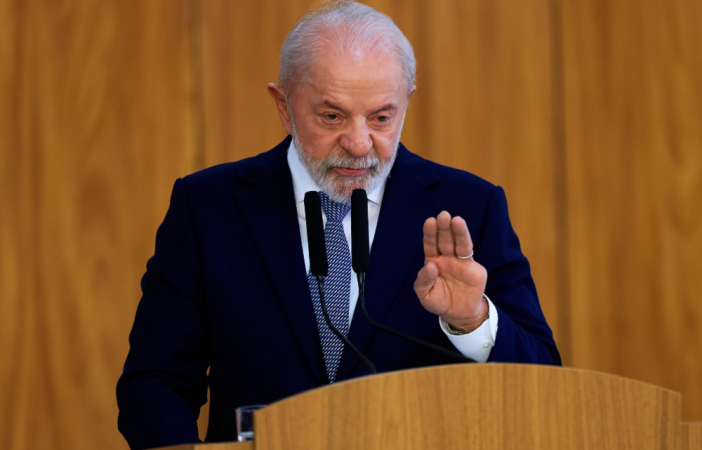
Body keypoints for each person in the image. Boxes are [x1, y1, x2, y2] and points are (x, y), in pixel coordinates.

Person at [117, 1, 560, 449]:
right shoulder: (208, 207)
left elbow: (545, 386)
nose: (359, 143)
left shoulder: (470, 207)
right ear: (284, 106)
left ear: (406, 102)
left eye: (382, 118)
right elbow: (155, 382)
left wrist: (473, 321)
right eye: (332, 116)